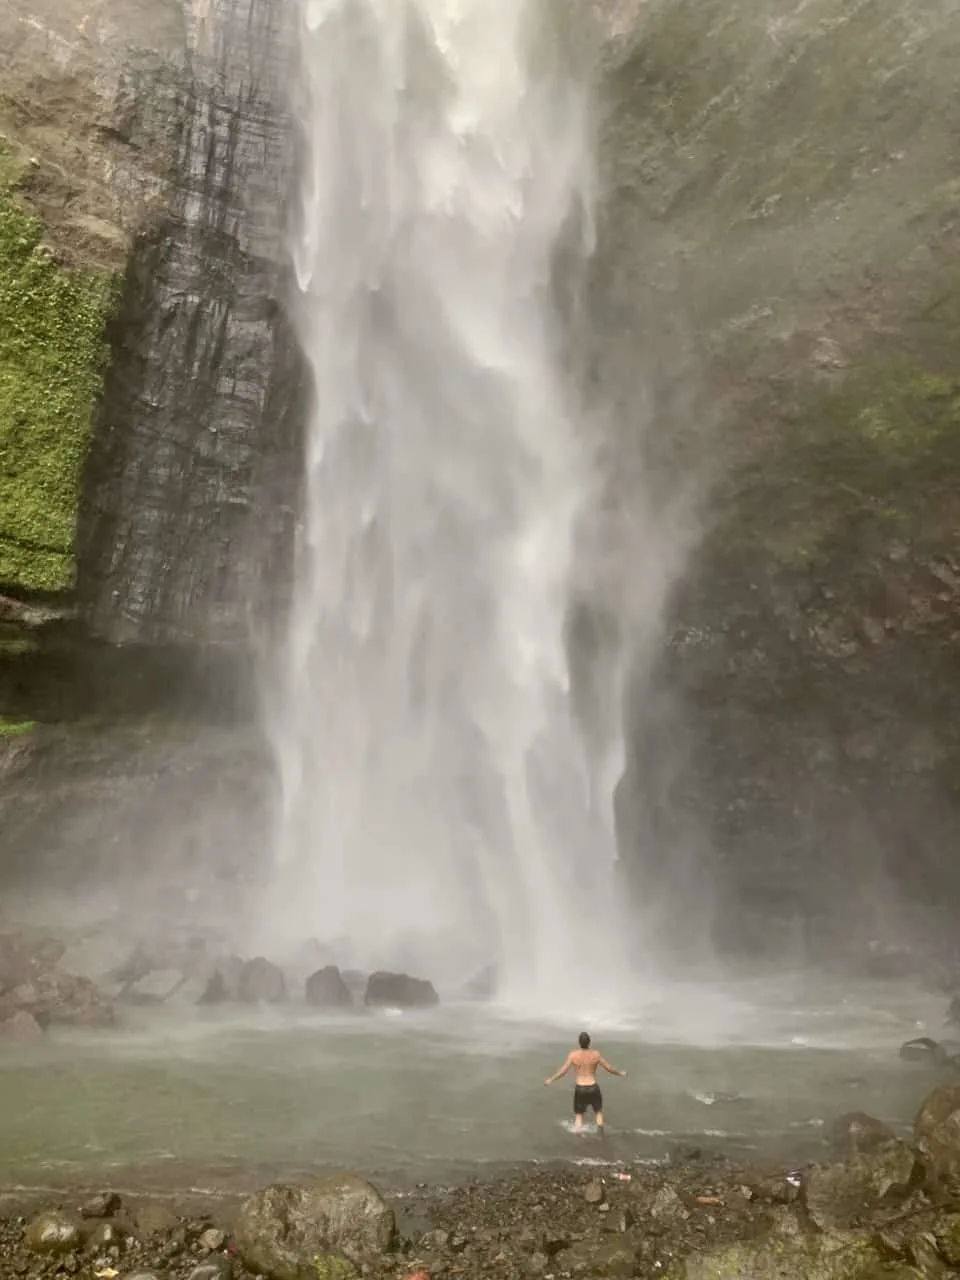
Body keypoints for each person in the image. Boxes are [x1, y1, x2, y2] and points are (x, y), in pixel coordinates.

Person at [544, 1031, 627, 1136]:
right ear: (589, 1042)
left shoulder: (573, 1055)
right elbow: (608, 1068)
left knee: (579, 1115)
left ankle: (579, 1138)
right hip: (593, 1087)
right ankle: (601, 1136)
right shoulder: (596, 1054)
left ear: (579, 1042)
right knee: (598, 1112)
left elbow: (563, 1071)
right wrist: (620, 1073)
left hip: (580, 1088)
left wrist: (551, 1079)